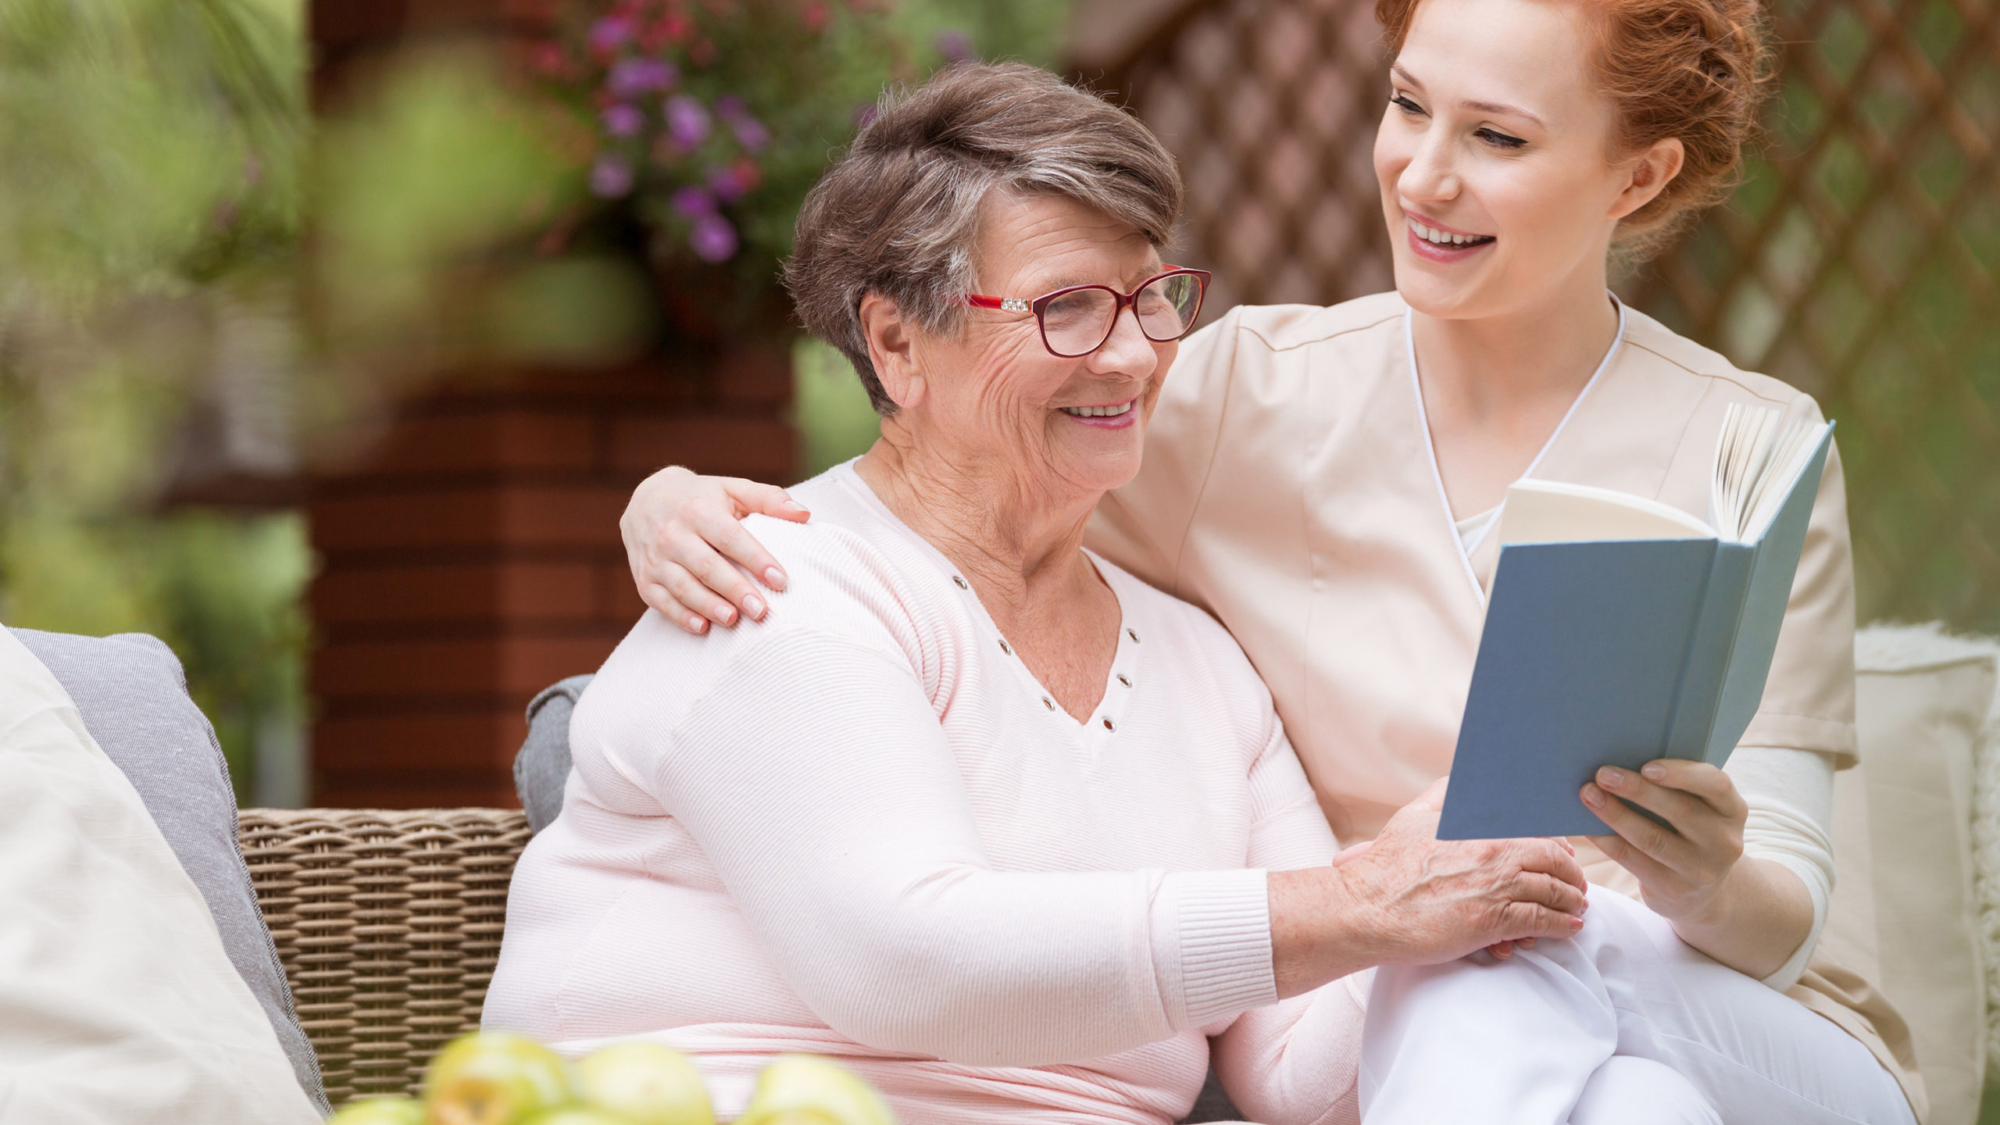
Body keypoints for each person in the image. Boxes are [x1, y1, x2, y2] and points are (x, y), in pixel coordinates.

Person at [614, 0, 1925, 1121]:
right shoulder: (1240, 396)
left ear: (1634, 179)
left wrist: (1693, 873)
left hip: (1745, 1021)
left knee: (1502, 949)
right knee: (1587, 1062)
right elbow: (968, 479)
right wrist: (670, 505)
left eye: (1498, 138)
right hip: (1425, 1020)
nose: (1423, 176)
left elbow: (1786, 915)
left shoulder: (1751, 447)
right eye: (1409, 106)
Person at [483, 62, 1591, 1125]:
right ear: (897, 341)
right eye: (1066, 309)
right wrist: (1354, 906)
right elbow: (908, 963)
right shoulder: (776, 581)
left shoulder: (1202, 665)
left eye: (1151, 298)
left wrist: (1444, 876)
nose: (1131, 358)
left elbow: (1300, 1081)